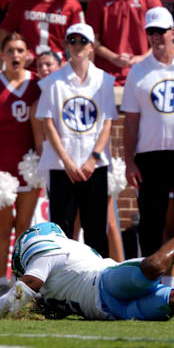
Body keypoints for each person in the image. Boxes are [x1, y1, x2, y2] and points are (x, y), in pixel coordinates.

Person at [0, 221, 174, 321]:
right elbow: (26, 307)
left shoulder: (48, 253)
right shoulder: (55, 279)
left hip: (107, 281)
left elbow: (17, 297)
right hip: (113, 312)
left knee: (154, 267)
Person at [122, 6, 174, 282]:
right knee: (152, 220)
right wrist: (129, 160)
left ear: (173, 32)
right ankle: (154, 279)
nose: (155, 37)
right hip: (150, 156)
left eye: (160, 31)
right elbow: (130, 121)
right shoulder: (138, 72)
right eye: (150, 31)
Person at [35, 23, 117, 258]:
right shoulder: (53, 82)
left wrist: (93, 159)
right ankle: (60, 290)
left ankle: (98, 286)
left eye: (83, 41)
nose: (78, 46)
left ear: (92, 46)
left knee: (96, 230)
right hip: (62, 167)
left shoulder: (104, 80)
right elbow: (48, 124)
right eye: (72, 40)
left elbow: (107, 123)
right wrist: (67, 162)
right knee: (61, 231)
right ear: (66, 45)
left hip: (95, 167)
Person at [0, 33, 43, 298]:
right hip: (2, 166)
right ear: (3, 55)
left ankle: (21, 281)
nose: (16, 55)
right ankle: (1, 283)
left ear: (27, 54)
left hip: (29, 164)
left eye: (20, 50)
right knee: (3, 227)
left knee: (24, 227)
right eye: (10, 51)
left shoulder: (37, 84)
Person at [86, 0, 161, 86]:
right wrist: (114, 58)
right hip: (108, 76)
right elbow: (92, 41)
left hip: (145, 73)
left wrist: (142, 58)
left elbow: (162, 38)